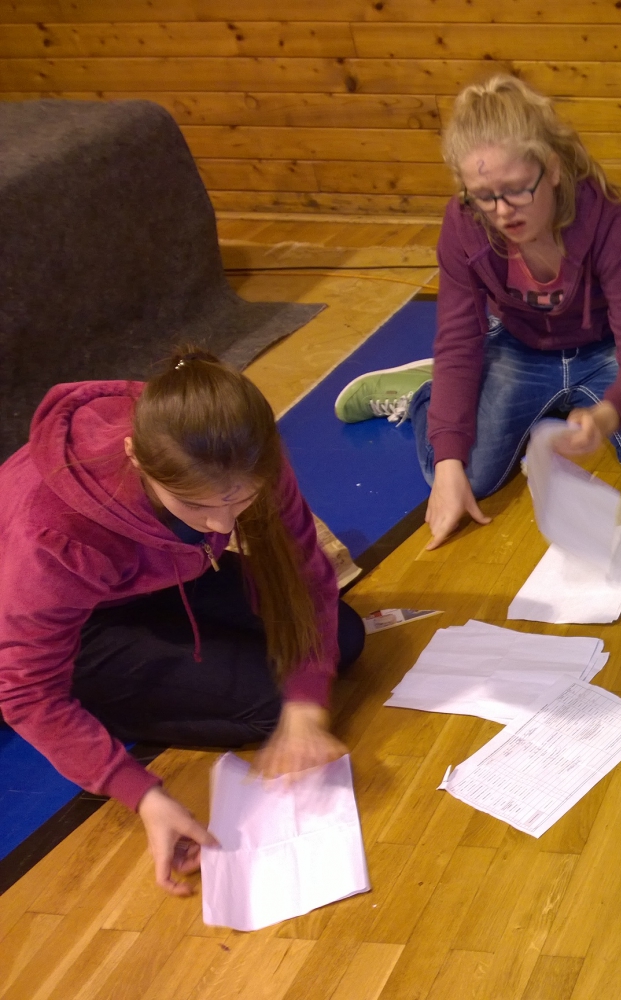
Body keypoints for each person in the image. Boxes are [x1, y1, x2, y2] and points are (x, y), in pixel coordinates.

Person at [0, 350, 366, 896]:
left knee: (343, 637)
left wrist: (307, 704)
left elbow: (305, 577)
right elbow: (27, 691)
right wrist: (142, 794)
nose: (223, 522)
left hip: (153, 573)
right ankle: (105, 695)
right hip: (59, 618)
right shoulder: (55, 533)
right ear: (136, 458)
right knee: (269, 705)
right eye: (197, 506)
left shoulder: (239, 445)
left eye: (242, 500)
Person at [332, 75, 621, 547]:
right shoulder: (463, 224)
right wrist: (447, 463)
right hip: (522, 348)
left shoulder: (607, 219)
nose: (502, 211)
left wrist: (607, 415)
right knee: (461, 476)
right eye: (484, 196)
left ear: (553, 169)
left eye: (518, 190)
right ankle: (424, 392)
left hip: (602, 349)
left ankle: (563, 399)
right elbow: (459, 340)